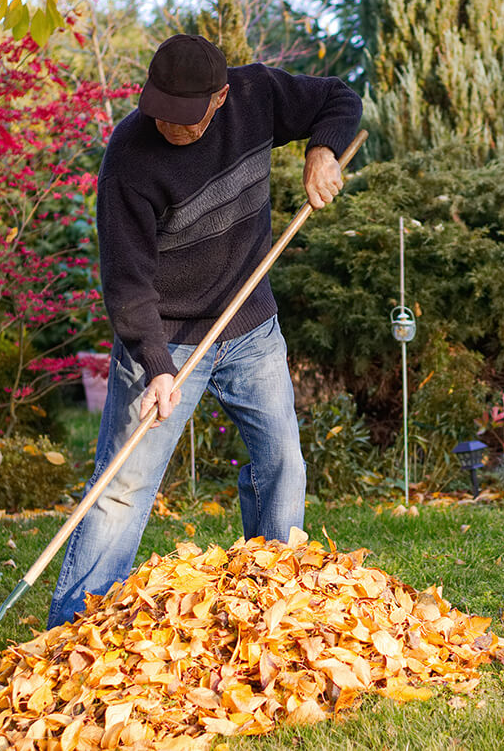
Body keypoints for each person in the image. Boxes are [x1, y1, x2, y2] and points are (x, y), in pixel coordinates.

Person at [47, 34, 362, 628]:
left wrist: (323, 150)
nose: (169, 125)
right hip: (166, 337)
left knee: (282, 464)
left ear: (221, 97)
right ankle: (69, 636)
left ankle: (276, 605)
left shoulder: (258, 94)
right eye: (160, 111)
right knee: (121, 488)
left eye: (184, 117)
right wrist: (156, 363)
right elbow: (127, 281)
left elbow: (338, 99)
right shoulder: (130, 157)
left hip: (250, 327)